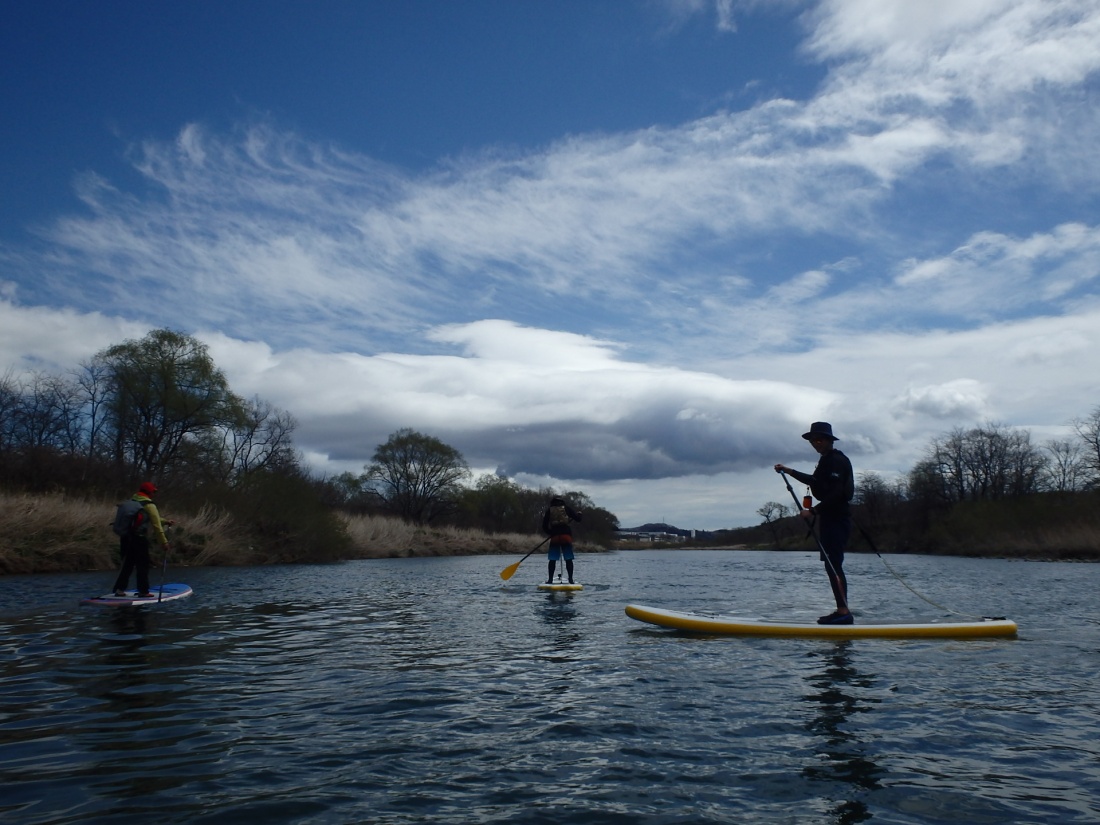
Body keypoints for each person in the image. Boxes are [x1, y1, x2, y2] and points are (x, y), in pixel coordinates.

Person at [774, 422, 855, 625]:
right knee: (830, 565)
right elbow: (815, 482)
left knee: (834, 565)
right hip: (829, 519)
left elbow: (838, 493)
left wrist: (813, 511)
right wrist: (789, 471)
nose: (815, 444)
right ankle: (841, 610)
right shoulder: (826, 461)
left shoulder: (836, 460)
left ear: (829, 440)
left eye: (819, 440)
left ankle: (844, 612)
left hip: (837, 519)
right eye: (812, 441)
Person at [113, 481, 173, 597]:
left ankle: (119, 590)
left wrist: (165, 521)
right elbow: (156, 526)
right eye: (153, 492)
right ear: (149, 492)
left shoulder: (132, 502)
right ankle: (143, 591)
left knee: (127, 564)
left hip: (125, 538)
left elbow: (151, 517)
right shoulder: (150, 505)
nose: (154, 494)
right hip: (139, 539)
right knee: (143, 565)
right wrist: (164, 542)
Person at [541, 495, 582, 584]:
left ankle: (550, 580)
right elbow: (578, 519)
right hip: (566, 536)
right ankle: (570, 580)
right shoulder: (566, 508)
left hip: (555, 536)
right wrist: (579, 514)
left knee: (552, 559)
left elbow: (544, 526)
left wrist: (551, 532)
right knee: (568, 559)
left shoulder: (549, 510)